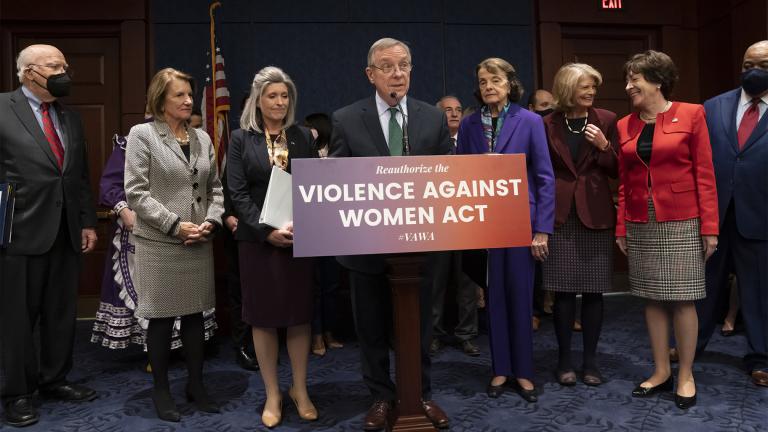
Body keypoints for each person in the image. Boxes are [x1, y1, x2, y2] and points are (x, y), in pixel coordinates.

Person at [329, 37, 452, 430]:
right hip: (366, 250)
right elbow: (336, 183)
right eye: (387, 66)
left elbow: (447, 178)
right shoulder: (346, 118)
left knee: (420, 328)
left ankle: (420, 394)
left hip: (421, 247)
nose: (397, 73)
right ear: (371, 74)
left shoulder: (432, 118)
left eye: (404, 65)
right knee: (372, 328)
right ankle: (381, 397)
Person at [0, 43, 98, 428]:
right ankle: (18, 392)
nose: (64, 71)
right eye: (55, 65)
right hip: (17, 231)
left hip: (66, 231)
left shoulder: (69, 118)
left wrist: (88, 221)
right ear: (28, 72)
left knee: (61, 313)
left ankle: (54, 378)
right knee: (18, 318)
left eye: (65, 64)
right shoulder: (2, 108)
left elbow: (79, 177)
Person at [615, 50, 718, 409]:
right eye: (628, 79)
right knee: (651, 297)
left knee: (682, 297)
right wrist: (621, 227)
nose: (629, 86)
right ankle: (661, 371)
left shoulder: (692, 114)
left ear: (657, 80)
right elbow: (625, 182)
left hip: (682, 219)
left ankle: (686, 373)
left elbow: (705, 174)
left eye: (635, 79)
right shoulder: (624, 124)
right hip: (639, 220)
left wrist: (710, 227)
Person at [125, 68, 224, 422]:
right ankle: (162, 391)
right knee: (162, 319)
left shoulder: (203, 138)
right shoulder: (143, 135)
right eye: (179, 95)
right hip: (161, 243)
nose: (187, 101)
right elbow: (136, 192)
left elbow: (216, 188)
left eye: (189, 94)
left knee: (197, 315)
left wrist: (210, 222)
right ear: (160, 100)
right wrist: (174, 226)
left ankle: (196, 385)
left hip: (198, 241)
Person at [456, 57, 555, 402]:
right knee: (494, 298)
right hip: (484, 222)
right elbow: (461, 176)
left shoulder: (529, 121)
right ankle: (500, 369)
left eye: (495, 80)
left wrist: (541, 229)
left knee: (520, 296)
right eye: (482, 81)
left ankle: (524, 372)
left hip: (522, 222)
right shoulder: (469, 126)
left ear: (510, 84)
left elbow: (544, 176)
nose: (488, 87)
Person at [227, 66, 318, 428]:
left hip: (298, 239)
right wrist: (266, 231)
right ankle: (272, 393)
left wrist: (297, 226)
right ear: (258, 100)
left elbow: (315, 187)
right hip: (257, 243)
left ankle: (300, 389)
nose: (279, 102)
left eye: (284, 96)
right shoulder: (240, 138)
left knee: (299, 316)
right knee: (263, 319)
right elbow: (236, 192)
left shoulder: (303, 137)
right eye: (272, 96)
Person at [91, 131, 217, 358]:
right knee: (154, 301)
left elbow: (210, 188)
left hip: (190, 231)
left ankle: (188, 364)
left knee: (190, 307)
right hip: (146, 231)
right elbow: (118, 185)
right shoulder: (136, 138)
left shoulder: (198, 140)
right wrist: (124, 209)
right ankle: (157, 361)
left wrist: (207, 220)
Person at [697, 40, 768, 387]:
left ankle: (761, 357)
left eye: (763, 65)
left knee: (758, 293)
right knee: (704, 287)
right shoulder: (712, 106)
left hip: (761, 216)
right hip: (714, 214)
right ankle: (692, 344)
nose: (753, 71)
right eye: (747, 64)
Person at [542, 63, 618, 386]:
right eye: (585, 86)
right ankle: (564, 360)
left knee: (593, 292)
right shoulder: (547, 123)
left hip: (595, 213)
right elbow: (540, 172)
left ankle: (590, 361)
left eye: (593, 87)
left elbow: (618, 169)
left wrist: (604, 146)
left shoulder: (607, 120)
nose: (590, 92)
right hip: (559, 214)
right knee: (562, 292)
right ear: (567, 87)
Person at [430, 95, 481, 357]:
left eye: (458, 110)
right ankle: (434, 334)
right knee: (435, 284)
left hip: (467, 221)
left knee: (467, 284)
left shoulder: (473, 140)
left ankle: (467, 335)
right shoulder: (429, 142)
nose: (454, 114)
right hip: (438, 222)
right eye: (447, 109)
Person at [220, 93, 260, 372]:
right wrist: (227, 216)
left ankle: (266, 343)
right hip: (239, 229)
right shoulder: (239, 140)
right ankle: (242, 345)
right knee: (241, 291)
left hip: (276, 231)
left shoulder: (283, 141)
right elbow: (227, 188)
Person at [303, 112, 344, 357]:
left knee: (331, 284)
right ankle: (315, 334)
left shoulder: (338, 151)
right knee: (313, 286)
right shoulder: (303, 151)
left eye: (310, 127)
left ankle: (330, 331)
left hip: (336, 228)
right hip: (310, 225)